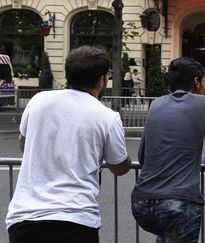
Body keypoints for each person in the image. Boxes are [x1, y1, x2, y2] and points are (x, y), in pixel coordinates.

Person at [5, 45, 131, 243]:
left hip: (25, 218)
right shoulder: (107, 117)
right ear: (102, 79)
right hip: (76, 220)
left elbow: (23, 142)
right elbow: (119, 166)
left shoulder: (39, 100)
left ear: (68, 74)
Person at [131, 57, 205, 243]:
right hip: (179, 203)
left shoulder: (155, 103)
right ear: (196, 81)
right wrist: (200, 158)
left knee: (164, 235)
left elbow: (142, 157)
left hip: (142, 203)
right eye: (204, 81)